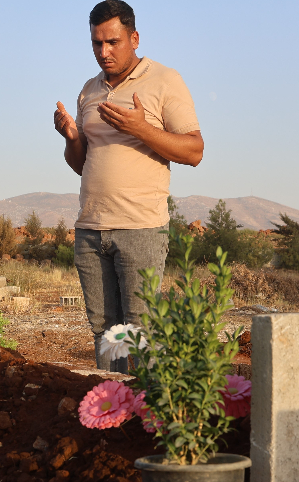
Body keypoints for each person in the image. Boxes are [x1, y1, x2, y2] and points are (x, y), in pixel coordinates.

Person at [53, 0, 203, 372]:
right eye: (96, 43)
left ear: (134, 38)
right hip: (90, 229)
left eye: (113, 42)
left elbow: (195, 151)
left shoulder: (165, 80)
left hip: (141, 229)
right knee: (105, 333)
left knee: (139, 332)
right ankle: (110, 418)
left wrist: (141, 129)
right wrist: (72, 137)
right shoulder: (89, 90)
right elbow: (81, 164)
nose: (104, 52)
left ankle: (145, 419)